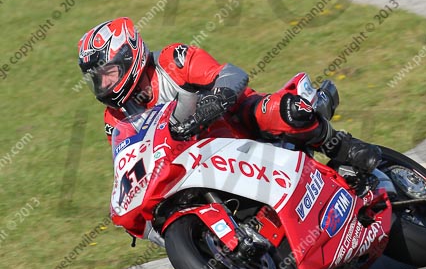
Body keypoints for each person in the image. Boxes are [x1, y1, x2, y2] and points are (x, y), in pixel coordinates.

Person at [78, 17, 381, 184]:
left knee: (281, 111)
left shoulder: (172, 60)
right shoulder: (114, 119)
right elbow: (129, 165)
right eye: (97, 78)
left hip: (239, 123)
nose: (104, 83)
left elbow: (231, 74)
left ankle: (343, 147)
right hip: (198, 165)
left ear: (130, 55)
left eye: (108, 73)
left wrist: (216, 99)